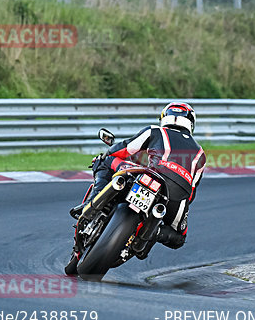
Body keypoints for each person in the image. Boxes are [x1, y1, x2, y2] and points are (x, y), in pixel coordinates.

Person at [70, 102, 206, 249]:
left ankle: (91, 203)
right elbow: (192, 191)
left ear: (164, 117)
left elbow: (124, 148)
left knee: (104, 161)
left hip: (152, 176)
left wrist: (106, 154)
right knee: (179, 238)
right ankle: (154, 231)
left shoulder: (155, 131)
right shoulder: (200, 154)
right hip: (177, 195)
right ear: (191, 123)